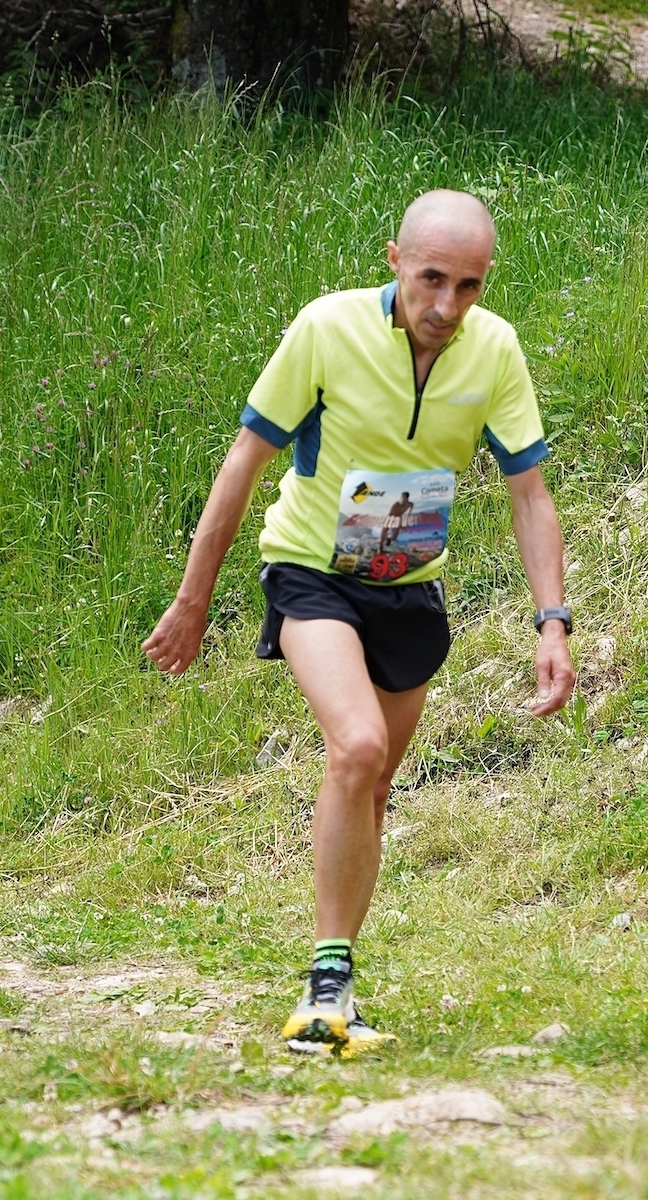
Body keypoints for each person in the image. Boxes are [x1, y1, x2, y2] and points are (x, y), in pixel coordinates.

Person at [142, 189, 575, 1056]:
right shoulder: (327, 328)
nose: (447, 305)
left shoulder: (494, 349)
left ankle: (338, 985)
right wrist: (193, 600)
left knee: (373, 787)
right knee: (359, 746)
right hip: (311, 574)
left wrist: (552, 622)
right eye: (431, 279)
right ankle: (323, 987)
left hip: (410, 589)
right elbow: (244, 461)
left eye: (469, 286)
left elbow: (529, 493)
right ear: (395, 261)